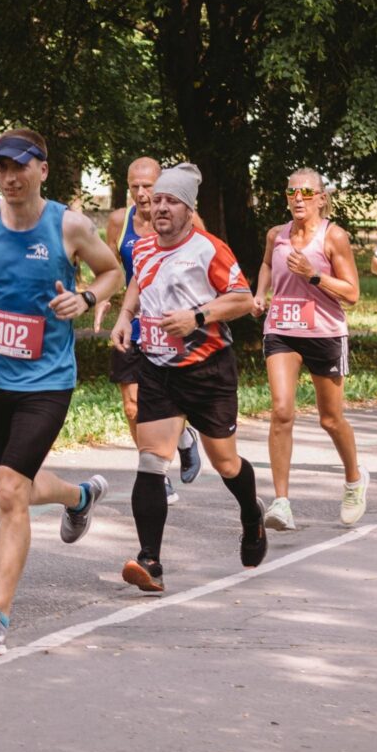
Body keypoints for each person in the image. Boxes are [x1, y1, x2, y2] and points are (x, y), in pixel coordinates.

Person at [0, 127, 123, 654]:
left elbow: (113, 271)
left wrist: (85, 297)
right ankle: (81, 496)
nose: (9, 178)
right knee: (18, 486)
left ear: (43, 169)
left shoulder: (70, 226)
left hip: (48, 381)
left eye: (20, 166)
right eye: (1, 168)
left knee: (10, 490)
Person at [111, 162, 266, 593]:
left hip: (208, 369)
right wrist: (125, 318)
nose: (159, 207)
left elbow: (242, 299)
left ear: (187, 209)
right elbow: (139, 285)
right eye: (157, 199)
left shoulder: (209, 249)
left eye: (170, 201)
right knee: (150, 459)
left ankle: (251, 515)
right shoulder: (142, 247)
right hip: (158, 368)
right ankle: (151, 562)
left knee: (226, 462)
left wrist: (197, 316)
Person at [253, 168, 368, 529]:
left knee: (330, 418)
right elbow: (267, 266)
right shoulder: (277, 235)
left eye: (306, 191)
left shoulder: (334, 237)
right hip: (282, 329)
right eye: (291, 192)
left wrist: (313, 275)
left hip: (325, 332)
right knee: (281, 410)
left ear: (321, 197)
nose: (298, 198)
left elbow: (351, 293)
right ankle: (282, 503)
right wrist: (259, 294)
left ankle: (353, 479)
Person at [94, 156, 203, 503]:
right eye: (135, 186)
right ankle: (156, 473)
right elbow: (110, 268)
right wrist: (102, 298)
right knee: (132, 405)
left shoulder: (187, 218)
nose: (142, 194)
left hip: (172, 322)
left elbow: (205, 263)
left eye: (149, 186)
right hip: (134, 321)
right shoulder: (117, 222)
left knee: (170, 397)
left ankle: (184, 438)